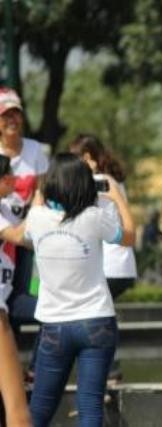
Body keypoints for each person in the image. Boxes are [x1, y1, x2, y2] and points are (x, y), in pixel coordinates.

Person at [25, 153, 135, 426]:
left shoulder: (36, 218)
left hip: (54, 325)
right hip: (96, 321)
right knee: (90, 407)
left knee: (39, 409)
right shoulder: (94, 217)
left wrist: (40, 189)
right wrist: (118, 198)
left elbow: (34, 213)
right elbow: (129, 237)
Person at [69, 133, 138, 382]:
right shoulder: (112, 180)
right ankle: (109, 370)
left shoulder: (98, 181)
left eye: (75, 159)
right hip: (120, 265)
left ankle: (107, 369)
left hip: (108, 265)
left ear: (88, 158)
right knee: (101, 315)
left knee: (94, 316)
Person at [0, 87, 49, 381]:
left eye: (16, 113)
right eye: (5, 115)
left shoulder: (35, 150)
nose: (12, 120)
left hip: (27, 237)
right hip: (4, 236)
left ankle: (27, 370)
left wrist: (33, 223)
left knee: (22, 297)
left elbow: (42, 191)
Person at [0, 154, 31, 427]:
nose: (13, 179)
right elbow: (21, 237)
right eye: (8, 176)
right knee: (17, 411)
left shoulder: (8, 206)